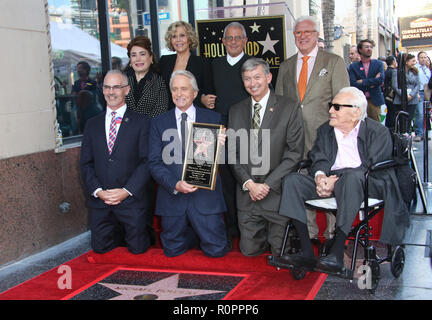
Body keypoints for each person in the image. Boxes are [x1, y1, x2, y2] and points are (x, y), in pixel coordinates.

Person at [272, 87, 409, 274]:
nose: (330, 111)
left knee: (351, 178)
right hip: (332, 180)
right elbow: (318, 158)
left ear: (356, 112)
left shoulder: (378, 132)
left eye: (336, 107)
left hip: (369, 184)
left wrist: (335, 183)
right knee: (292, 181)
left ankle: (337, 252)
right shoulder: (326, 130)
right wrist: (320, 177)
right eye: (331, 106)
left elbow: (370, 166)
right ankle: (305, 251)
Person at [275, 15, 349, 243]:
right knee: (299, 179)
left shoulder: (333, 61)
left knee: (328, 180)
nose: (303, 36)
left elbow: (344, 101)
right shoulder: (286, 66)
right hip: (294, 136)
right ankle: (308, 235)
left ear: (317, 35)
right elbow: (278, 101)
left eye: (308, 32)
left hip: (325, 136)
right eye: (298, 33)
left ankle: (334, 236)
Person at [148, 70, 229, 258]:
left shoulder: (213, 119)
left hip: (206, 200)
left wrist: (221, 148)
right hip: (172, 199)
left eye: (184, 89)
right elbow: (153, 162)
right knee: (173, 254)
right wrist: (175, 184)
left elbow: (225, 162)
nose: (179, 94)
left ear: (194, 92)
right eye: (175, 89)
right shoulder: (158, 122)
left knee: (217, 253)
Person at [228, 58, 304, 256]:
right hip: (248, 195)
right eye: (247, 79)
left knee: (281, 253)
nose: (252, 83)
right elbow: (232, 154)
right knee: (249, 252)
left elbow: (294, 153)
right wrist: (250, 184)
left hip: (276, 195)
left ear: (268, 77)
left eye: (257, 77)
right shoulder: (235, 111)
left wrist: (267, 184)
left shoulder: (289, 107)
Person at [80, 70, 152, 254]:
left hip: (131, 203)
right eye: (107, 87)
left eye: (116, 87)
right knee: (101, 253)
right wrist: (98, 191)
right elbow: (86, 164)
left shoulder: (142, 122)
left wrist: (126, 191)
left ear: (127, 90)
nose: (111, 92)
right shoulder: (91, 124)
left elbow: (147, 161)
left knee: (138, 253)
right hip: (101, 204)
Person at [124, 35, 170, 245]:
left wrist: (137, 130)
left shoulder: (159, 82)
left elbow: (159, 114)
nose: (138, 59)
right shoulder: (122, 80)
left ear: (151, 57)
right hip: (123, 146)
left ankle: (149, 236)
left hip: (150, 144)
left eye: (142, 54)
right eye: (134, 55)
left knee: (147, 191)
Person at [210, 22, 251, 248]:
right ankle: (230, 228)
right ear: (223, 41)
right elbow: (205, 94)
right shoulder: (215, 65)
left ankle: (248, 230)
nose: (233, 41)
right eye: (229, 38)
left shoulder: (254, 65)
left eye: (238, 37)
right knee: (225, 184)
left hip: (247, 133)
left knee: (245, 180)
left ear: (245, 41)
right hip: (222, 134)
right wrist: (205, 99)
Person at [160, 21, 213, 109]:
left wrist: (201, 98)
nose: (178, 40)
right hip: (169, 114)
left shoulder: (203, 63)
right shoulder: (164, 61)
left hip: (194, 114)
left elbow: (208, 93)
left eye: (182, 35)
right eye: (174, 36)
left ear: (190, 38)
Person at [348, 39, 385, 122]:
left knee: (376, 127)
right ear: (360, 50)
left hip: (374, 101)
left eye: (371, 47)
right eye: (366, 47)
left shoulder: (378, 64)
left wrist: (363, 82)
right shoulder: (353, 66)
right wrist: (373, 81)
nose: (369, 49)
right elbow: (353, 83)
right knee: (359, 125)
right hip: (359, 101)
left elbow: (380, 80)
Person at [390, 53, 421, 134]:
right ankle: (400, 138)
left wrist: (411, 95)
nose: (415, 63)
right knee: (401, 120)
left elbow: (418, 84)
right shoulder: (396, 71)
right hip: (400, 99)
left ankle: (407, 136)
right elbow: (395, 86)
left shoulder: (415, 71)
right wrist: (404, 95)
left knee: (409, 118)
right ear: (406, 61)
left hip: (412, 99)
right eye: (413, 61)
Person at [413, 51, 431, 141]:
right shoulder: (415, 68)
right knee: (419, 113)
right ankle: (419, 133)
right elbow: (414, 82)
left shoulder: (427, 69)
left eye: (425, 57)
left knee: (426, 114)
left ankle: (424, 133)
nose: (423, 59)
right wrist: (416, 93)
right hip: (419, 92)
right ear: (418, 59)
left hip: (428, 93)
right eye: (421, 57)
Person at [384, 55, 398, 129]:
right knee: (392, 113)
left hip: (386, 95)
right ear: (393, 62)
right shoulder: (393, 72)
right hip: (391, 95)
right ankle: (392, 129)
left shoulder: (386, 71)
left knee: (389, 113)